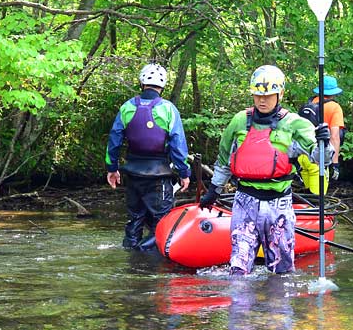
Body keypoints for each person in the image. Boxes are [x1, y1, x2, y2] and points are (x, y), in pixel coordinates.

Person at [199, 65, 331, 275]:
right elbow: (224, 157)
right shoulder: (240, 121)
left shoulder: (295, 124)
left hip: (278, 204)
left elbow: (321, 159)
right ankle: (240, 306)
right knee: (239, 268)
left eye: (268, 96)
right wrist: (214, 190)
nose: (262, 100)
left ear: (280, 94)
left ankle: (277, 307)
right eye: (258, 95)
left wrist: (325, 143)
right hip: (245, 202)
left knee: (282, 270)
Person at [105, 63, 191, 251]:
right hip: (158, 177)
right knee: (162, 223)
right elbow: (178, 146)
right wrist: (184, 173)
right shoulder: (168, 109)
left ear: (142, 83)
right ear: (162, 85)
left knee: (134, 219)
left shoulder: (127, 107)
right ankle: (149, 260)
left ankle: (133, 261)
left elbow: (114, 141)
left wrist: (112, 169)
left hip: (133, 175)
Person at [309, 75, 345, 181]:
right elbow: (334, 137)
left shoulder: (310, 104)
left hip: (305, 156)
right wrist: (335, 164)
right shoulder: (335, 107)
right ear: (333, 93)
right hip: (321, 158)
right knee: (319, 194)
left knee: (307, 192)